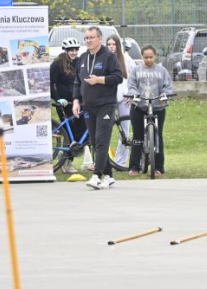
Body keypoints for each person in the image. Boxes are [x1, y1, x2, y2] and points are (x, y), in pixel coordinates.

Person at [72, 27, 124, 190]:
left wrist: (100, 80)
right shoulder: (82, 58)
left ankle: (97, 175)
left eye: (91, 37)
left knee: (102, 140)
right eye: (86, 38)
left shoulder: (109, 57)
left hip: (105, 105)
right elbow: (77, 82)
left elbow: (118, 77)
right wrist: (76, 101)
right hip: (88, 105)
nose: (88, 40)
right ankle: (108, 175)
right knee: (95, 141)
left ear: (99, 38)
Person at [127, 46, 174, 177]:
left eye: (151, 57)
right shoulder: (136, 70)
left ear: (155, 56)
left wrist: (165, 95)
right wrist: (134, 94)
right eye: (146, 57)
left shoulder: (162, 71)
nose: (148, 60)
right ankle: (134, 167)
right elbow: (131, 85)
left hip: (157, 107)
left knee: (158, 136)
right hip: (139, 107)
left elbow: (168, 86)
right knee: (137, 137)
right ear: (142, 57)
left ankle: (159, 167)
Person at [49, 37, 84, 173]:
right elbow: (51, 83)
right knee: (69, 133)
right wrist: (57, 99)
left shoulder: (79, 63)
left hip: (76, 101)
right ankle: (66, 162)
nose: (74, 52)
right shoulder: (57, 64)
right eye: (71, 50)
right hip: (64, 104)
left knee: (80, 130)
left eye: (76, 50)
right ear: (65, 50)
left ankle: (68, 158)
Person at [106, 34, 135, 168]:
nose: (111, 47)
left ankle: (120, 161)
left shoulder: (126, 59)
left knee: (125, 129)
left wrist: (132, 94)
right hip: (109, 98)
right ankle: (103, 160)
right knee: (106, 128)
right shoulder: (103, 59)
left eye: (114, 44)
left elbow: (134, 78)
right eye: (109, 44)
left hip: (124, 98)